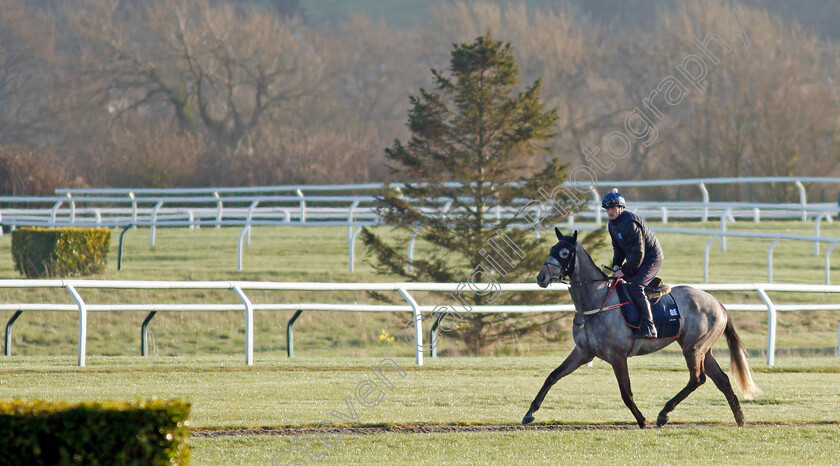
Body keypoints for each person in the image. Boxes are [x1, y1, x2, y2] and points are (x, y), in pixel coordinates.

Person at [602, 188, 664, 339]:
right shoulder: (612, 225)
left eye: (613, 208)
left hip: (651, 258)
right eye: (608, 209)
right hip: (636, 259)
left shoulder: (630, 223)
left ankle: (650, 328)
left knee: (636, 288)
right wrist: (616, 267)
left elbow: (639, 253)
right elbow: (618, 250)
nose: (610, 211)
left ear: (621, 208)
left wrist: (624, 271)